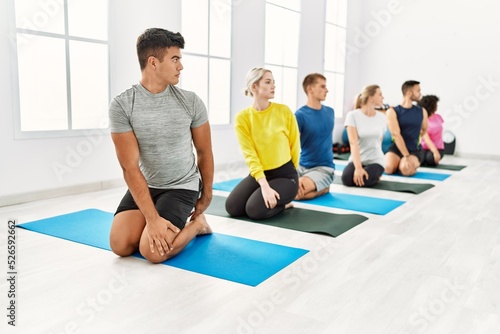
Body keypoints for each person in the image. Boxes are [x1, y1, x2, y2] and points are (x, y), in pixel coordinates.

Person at [108, 28, 214, 264]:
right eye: (175, 59)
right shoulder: (122, 105)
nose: (181, 66)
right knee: (120, 245)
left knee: (153, 252)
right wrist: (152, 218)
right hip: (146, 184)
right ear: (153, 62)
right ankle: (157, 221)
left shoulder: (191, 102)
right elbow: (129, 167)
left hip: (181, 186)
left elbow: (204, 152)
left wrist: (206, 194)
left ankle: (197, 225)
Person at [225, 68, 300, 220]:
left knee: (254, 210)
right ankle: (271, 197)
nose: (273, 86)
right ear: (254, 87)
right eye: (268, 82)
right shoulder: (243, 118)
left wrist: (294, 174)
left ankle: (284, 203)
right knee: (232, 207)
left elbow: (295, 145)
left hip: (285, 175)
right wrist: (264, 186)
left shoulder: (284, 111)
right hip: (259, 175)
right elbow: (249, 154)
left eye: (273, 82)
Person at [294, 73, 336, 199]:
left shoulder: (330, 112)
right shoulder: (299, 115)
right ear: (310, 89)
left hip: (323, 168)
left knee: (297, 195)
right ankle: (321, 187)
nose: (327, 90)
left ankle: (323, 189)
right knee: (280, 190)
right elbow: (293, 147)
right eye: (322, 86)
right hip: (301, 167)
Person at [341, 85, 387, 187]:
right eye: (380, 94)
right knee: (347, 179)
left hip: (376, 160)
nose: (383, 97)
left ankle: (377, 173)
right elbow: (353, 143)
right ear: (371, 98)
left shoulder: (382, 118)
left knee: (364, 181)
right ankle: (372, 174)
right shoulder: (352, 116)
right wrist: (358, 167)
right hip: (357, 159)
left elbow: (379, 141)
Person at [385, 80, 428, 176]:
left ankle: (403, 164)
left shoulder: (422, 111)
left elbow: (424, 129)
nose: (420, 94)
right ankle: (400, 162)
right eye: (418, 91)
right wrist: (406, 156)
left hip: (414, 150)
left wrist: (415, 138)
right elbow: (396, 134)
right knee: (388, 168)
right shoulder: (392, 111)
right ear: (409, 93)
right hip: (396, 149)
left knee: (405, 169)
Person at [418, 95, 444, 166]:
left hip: (438, 148)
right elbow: (426, 139)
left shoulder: (438, 117)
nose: (437, 106)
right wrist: (434, 152)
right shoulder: (422, 119)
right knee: (420, 160)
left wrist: (436, 152)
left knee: (430, 159)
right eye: (436, 104)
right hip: (424, 148)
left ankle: (429, 158)